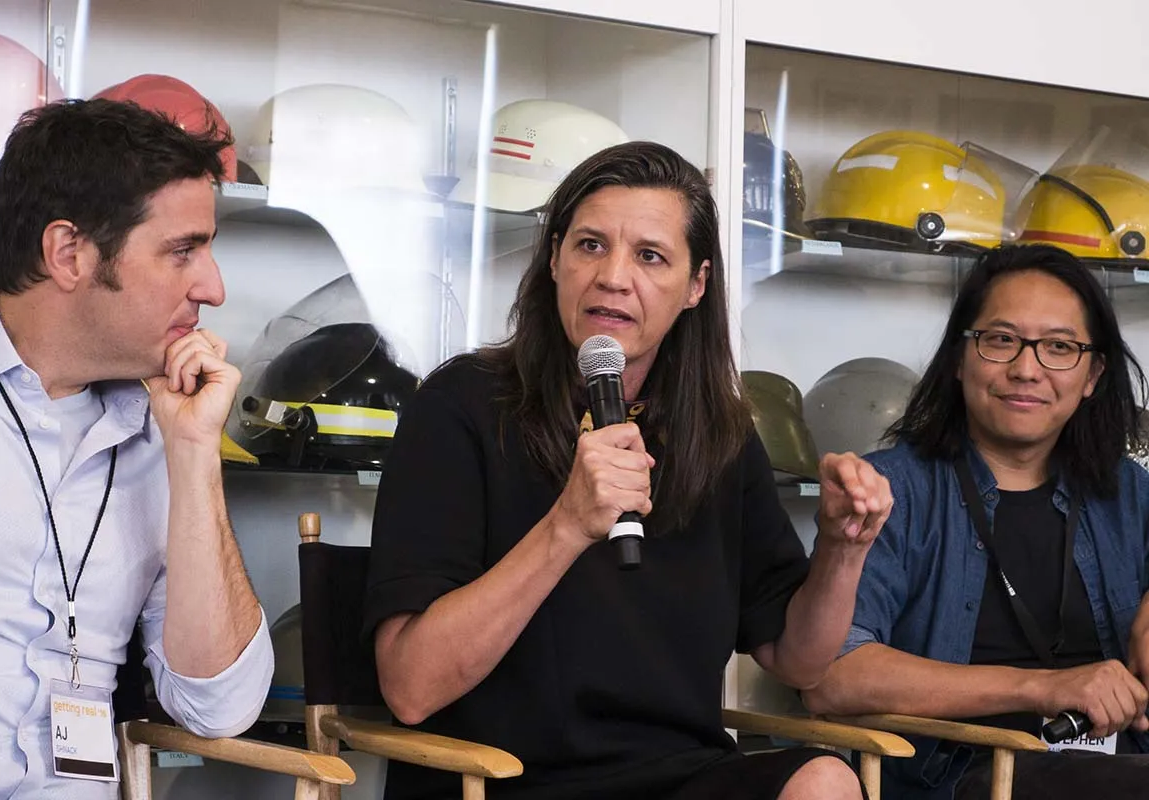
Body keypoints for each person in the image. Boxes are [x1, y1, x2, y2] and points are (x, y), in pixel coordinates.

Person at [363, 140, 894, 800]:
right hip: (500, 781)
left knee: (825, 781)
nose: (614, 276)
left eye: (649, 256)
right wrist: (567, 526)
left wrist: (844, 551)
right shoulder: (459, 408)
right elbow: (411, 689)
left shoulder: (719, 431)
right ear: (554, 258)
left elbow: (800, 658)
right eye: (589, 245)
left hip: (677, 775)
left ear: (697, 285)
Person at [0, 98, 273, 798]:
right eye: (183, 250)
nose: (213, 288)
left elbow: (219, 706)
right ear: (69, 253)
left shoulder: (164, 422)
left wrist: (192, 454)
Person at [803, 243, 1149, 799]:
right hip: (961, 780)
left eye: (1059, 347)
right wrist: (1042, 688)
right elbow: (830, 678)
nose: (1026, 369)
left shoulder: (1126, 490)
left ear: (1093, 375)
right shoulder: (893, 491)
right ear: (961, 357)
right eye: (1002, 340)